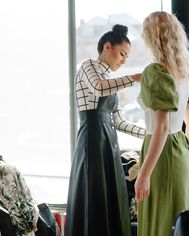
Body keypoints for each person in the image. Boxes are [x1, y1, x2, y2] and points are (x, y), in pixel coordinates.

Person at [65, 24, 146, 236]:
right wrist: (134, 78)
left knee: (113, 201)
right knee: (95, 199)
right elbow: (99, 87)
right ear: (107, 47)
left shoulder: (111, 81)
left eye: (126, 57)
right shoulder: (88, 66)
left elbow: (118, 121)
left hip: (109, 144)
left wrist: (150, 134)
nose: (123, 61)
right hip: (92, 141)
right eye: (122, 54)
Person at [134, 11, 189, 236]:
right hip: (182, 154)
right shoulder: (184, 74)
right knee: (180, 221)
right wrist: (185, 157)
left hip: (160, 155)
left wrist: (143, 174)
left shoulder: (155, 72)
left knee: (160, 221)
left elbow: (161, 127)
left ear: (152, 38)